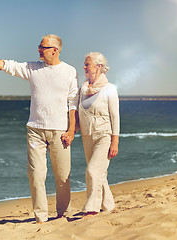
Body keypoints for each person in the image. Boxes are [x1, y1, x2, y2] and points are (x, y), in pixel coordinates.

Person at [0, 34, 79, 223]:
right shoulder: (32, 68)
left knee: (62, 175)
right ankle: (41, 217)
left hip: (59, 130)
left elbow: (73, 103)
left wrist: (72, 130)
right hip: (35, 129)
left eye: (43, 47)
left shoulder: (69, 71)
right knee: (35, 175)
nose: (39, 49)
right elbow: (6, 65)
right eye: (39, 46)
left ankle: (63, 214)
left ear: (55, 50)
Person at [64, 52, 119, 218]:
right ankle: (108, 205)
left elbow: (115, 117)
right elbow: (79, 114)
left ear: (99, 67)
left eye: (87, 64)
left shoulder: (110, 89)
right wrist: (71, 131)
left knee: (93, 171)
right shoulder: (83, 89)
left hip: (104, 136)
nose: (84, 67)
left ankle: (92, 209)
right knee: (100, 174)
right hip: (87, 137)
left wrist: (115, 142)